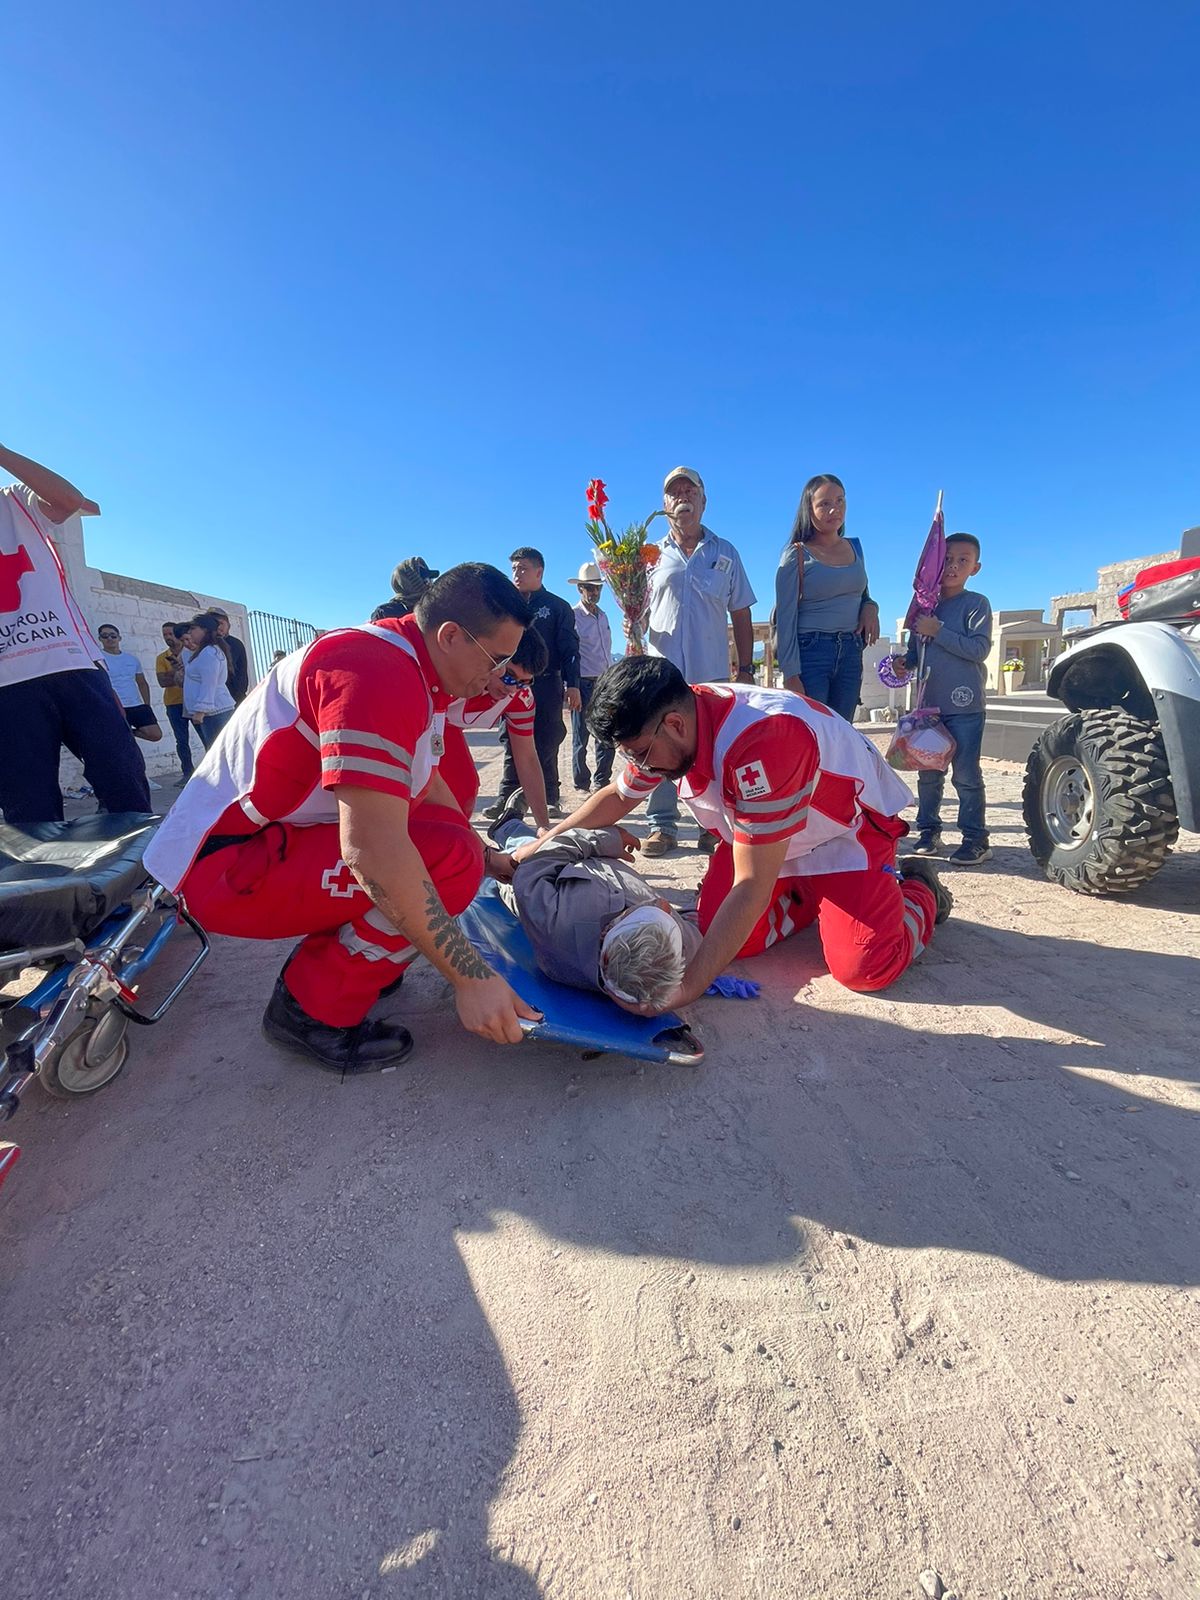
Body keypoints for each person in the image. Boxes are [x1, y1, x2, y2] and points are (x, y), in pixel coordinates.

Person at [142, 563, 541, 1073]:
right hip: (223, 867)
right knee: (447, 862)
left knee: (454, 845)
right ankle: (312, 1010)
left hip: (261, 843)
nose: (499, 679)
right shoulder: (378, 674)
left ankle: (367, 953)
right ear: (450, 636)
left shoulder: (407, 665)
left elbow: (429, 791)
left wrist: (491, 858)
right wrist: (470, 977)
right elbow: (371, 851)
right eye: (498, 659)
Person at [532, 657, 950, 1012]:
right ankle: (811, 896)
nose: (640, 766)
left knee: (865, 969)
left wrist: (688, 989)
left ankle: (919, 890)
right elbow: (617, 798)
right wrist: (536, 849)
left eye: (640, 754)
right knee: (727, 939)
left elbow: (751, 885)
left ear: (675, 725)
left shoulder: (766, 739)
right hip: (765, 843)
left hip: (845, 837)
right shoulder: (667, 721)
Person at [0, 440, 151, 824]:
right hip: (6, 686)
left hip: (72, 662)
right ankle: (46, 882)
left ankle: (139, 873)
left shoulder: (16, 501)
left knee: (121, 772)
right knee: (27, 802)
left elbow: (69, 499)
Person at [639, 467, 756, 856]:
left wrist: (745, 669)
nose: (683, 497)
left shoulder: (726, 553)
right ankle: (662, 825)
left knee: (711, 744)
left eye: (690, 490)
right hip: (661, 670)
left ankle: (713, 826)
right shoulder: (648, 556)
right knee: (657, 741)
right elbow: (636, 611)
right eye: (674, 492)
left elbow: (741, 613)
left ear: (704, 502)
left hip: (712, 671)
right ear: (664, 505)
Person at [487, 802, 699, 1008]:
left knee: (518, 855)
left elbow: (536, 863)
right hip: (585, 862)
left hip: (546, 870)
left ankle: (508, 826)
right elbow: (699, 928)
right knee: (549, 841)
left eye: (641, 912)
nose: (662, 904)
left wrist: (606, 840)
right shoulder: (682, 950)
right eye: (663, 917)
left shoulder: (553, 923)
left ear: (605, 933)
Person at [896, 533, 994, 866]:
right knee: (928, 775)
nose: (952, 566)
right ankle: (928, 832)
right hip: (928, 709)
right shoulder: (924, 605)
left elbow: (979, 650)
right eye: (947, 559)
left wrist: (938, 630)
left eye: (962, 560)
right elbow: (914, 653)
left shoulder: (976, 604)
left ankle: (975, 839)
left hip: (965, 708)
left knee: (965, 775)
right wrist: (902, 662)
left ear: (975, 568)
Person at [773, 474, 880, 724]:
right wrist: (790, 674)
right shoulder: (795, 555)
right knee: (814, 732)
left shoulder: (856, 549)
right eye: (824, 504)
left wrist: (871, 607)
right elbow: (785, 619)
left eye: (840, 501)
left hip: (851, 652)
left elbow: (863, 593)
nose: (835, 509)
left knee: (843, 733)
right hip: (811, 653)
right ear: (808, 509)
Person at [486, 547, 580, 818]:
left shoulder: (557, 607)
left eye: (524, 568)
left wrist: (572, 684)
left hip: (547, 682)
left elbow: (570, 648)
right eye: (514, 568)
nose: (517, 573)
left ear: (539, 572)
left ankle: (549, 796)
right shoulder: (504, 607)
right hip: (508, 680)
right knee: (509, 736)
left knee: (547, 737)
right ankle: (506, 795)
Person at [441, 627, 552, 832]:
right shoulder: (457, 672)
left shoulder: (520, 697)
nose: (513, 688)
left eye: (525, 682)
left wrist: (543, 826)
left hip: (445, 727)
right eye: (509, 676)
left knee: (464, 786)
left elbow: (527, 758)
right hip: (417, 720)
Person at [566, 561, 615, 794]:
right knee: (581, 737)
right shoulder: (573, 617)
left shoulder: (604, 616)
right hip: (583, 682)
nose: (594, 592)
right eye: (589, 587)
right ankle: (581, 782)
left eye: (597, 588)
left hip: (605, 681)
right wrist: (571, 685)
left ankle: (602, 779)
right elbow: (570, 652)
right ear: (580, 589)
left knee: (607, 734)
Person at [98, 625, 163, 744]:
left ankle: (126, 731)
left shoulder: (132, 659)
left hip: (136, 704)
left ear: (119, 638)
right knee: (119, 742)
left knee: (155, 734)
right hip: (115, 704)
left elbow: (142, 683)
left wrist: (147, 705)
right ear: (100, 639)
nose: (109, 638)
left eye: (113, 635)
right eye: (105, 636)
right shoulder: (98, 659)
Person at [181, 613, 237, 750]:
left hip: (214, 711)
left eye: (193, 628)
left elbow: (209, 683)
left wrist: (201, 710)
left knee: (219, 752)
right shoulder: (205, 651)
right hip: (212, 711)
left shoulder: (209, 653)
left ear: (204, 630)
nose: (190, 633)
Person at [157, 622, 203, 784]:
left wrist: (181, 673)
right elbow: (162, 681)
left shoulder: (192, 652)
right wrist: (180, 672)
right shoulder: (162, 658)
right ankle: (187, 773)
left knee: (205, 736)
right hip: (173, 703)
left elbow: (197, 675)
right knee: (181, 740)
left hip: (193, 702)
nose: (168, 638)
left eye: (170, 634)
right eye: (165, 635)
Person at [371, 556, 440, 622]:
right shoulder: (386, 612)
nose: (429, 583)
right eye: (424, 578)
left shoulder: (436, 610)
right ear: (406, 581)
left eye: (430, 579)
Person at [208, 607, 249, 703]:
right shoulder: (207, 645)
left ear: (228, 626)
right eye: (214, 624)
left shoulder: (234, 643)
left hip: (234, 697)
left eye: (221, 623)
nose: (218, 627)